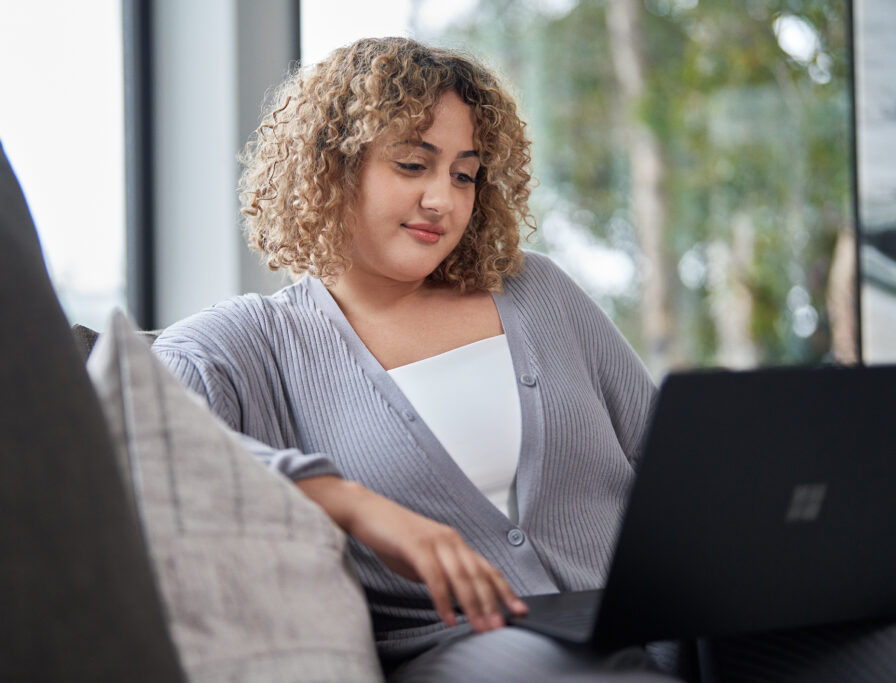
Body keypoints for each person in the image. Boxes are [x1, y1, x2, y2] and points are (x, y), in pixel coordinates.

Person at [151, 37, 893, 682]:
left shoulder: (535, 290)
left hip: (668, 627)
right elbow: (146, 441)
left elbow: (668, 455)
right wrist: (354, 503)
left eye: (465, 173)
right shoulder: (250, 343)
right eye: (413, 163)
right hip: (472, 650)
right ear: (330, 167)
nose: (442, 198)